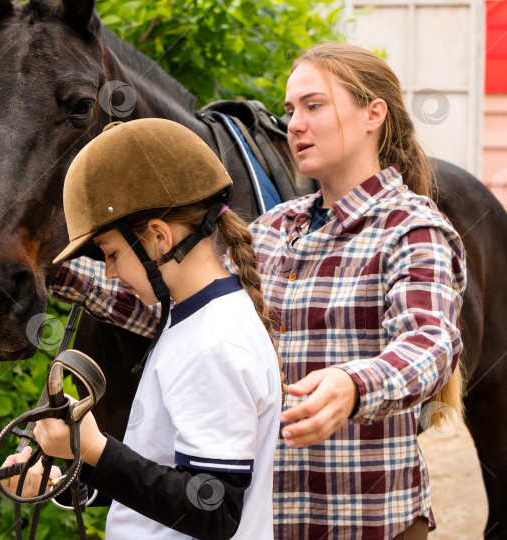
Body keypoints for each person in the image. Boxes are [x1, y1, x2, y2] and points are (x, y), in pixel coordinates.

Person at [47, 43, 467, 539]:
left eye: (314, 105)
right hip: (268, 524)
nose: (294, 124)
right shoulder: (273, 229)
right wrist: (53, 271)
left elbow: (431, 344)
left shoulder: (413, 228)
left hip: (366, 522)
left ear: (373, 113)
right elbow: (174, 307)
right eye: (289, 110)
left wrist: (355, 386)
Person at [2, 118, 284, 539]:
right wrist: (66, 474)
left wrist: (94, 449)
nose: (111, 272)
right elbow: (162, 475)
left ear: (158, 237)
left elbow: (216, 510)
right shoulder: (188, 318)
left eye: (111, 254)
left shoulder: (216, 343)